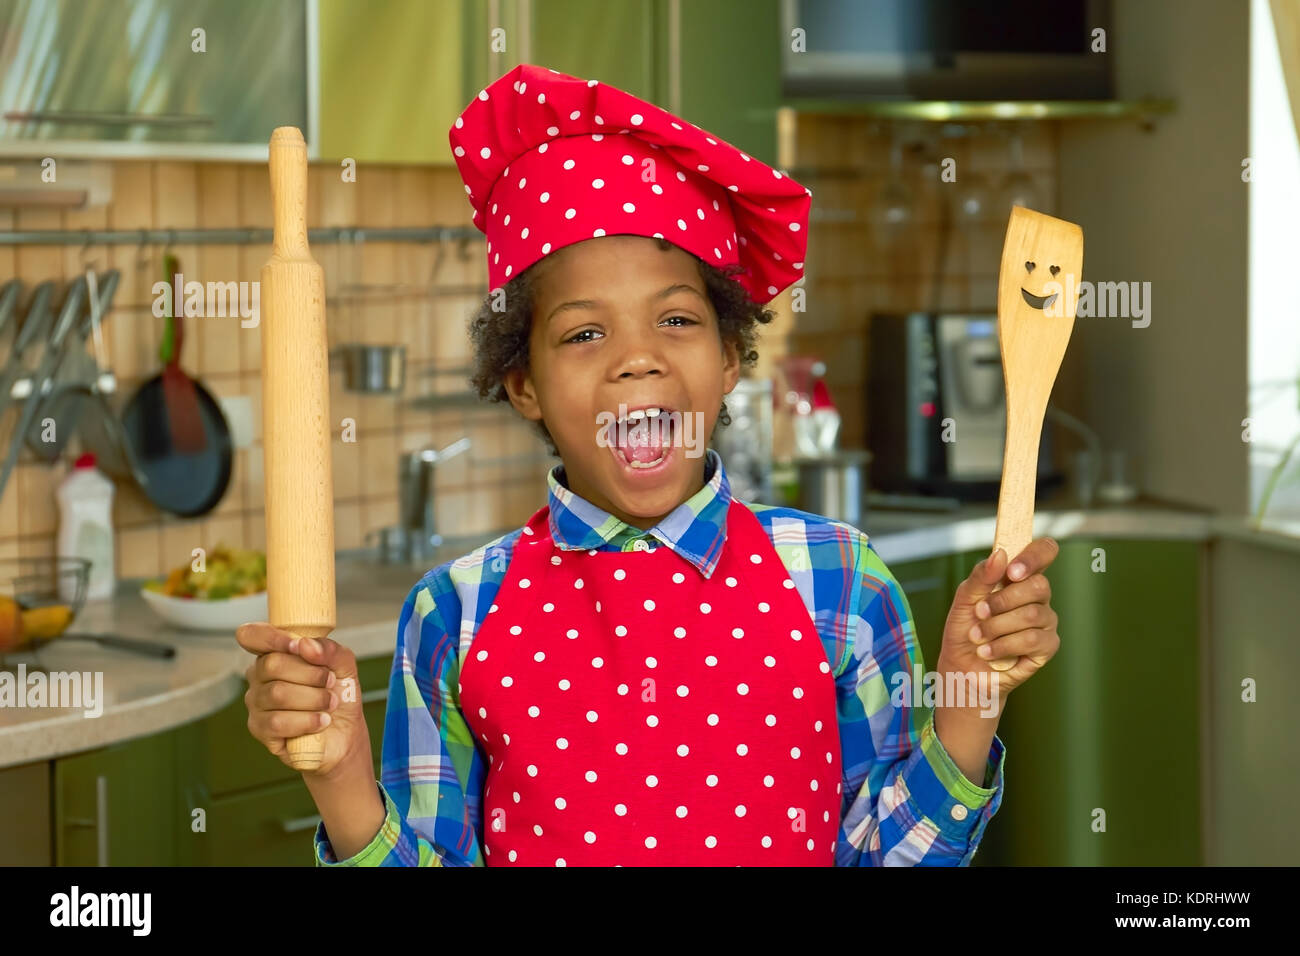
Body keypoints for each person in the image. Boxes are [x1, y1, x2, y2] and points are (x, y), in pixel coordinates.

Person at [237, 63, 1061, 866]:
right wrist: (342, 778)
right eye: (585, 333)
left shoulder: (839, 580)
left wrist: (968, 702)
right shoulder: (456, 615)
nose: (637, 359)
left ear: (732, 356)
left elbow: (889, 856)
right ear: (523, 383)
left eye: (675, 319)